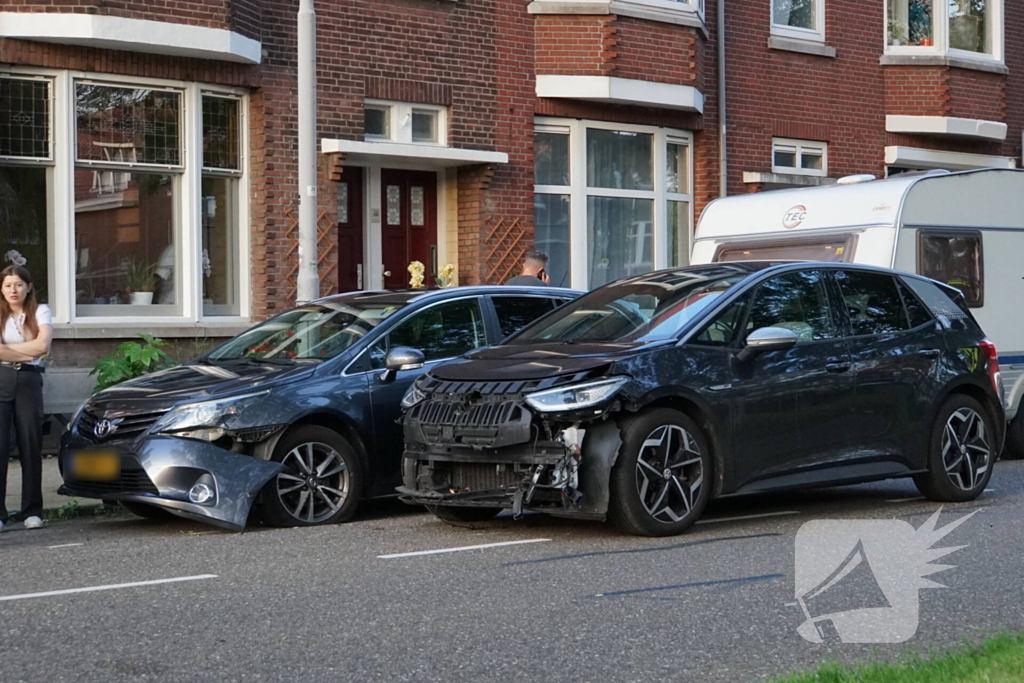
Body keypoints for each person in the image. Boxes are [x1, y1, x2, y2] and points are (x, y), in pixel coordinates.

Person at [0, 265, 52, 531]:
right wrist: (26, 352)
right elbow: (33, 349)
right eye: (8, 285)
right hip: (1, 380)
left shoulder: (40, 311)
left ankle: (32, 511)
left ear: (28, 287)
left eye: (18, 284)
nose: (13, 290)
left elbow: (42, 346)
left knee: (30, 444)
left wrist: (6, 350)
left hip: (30, 381)